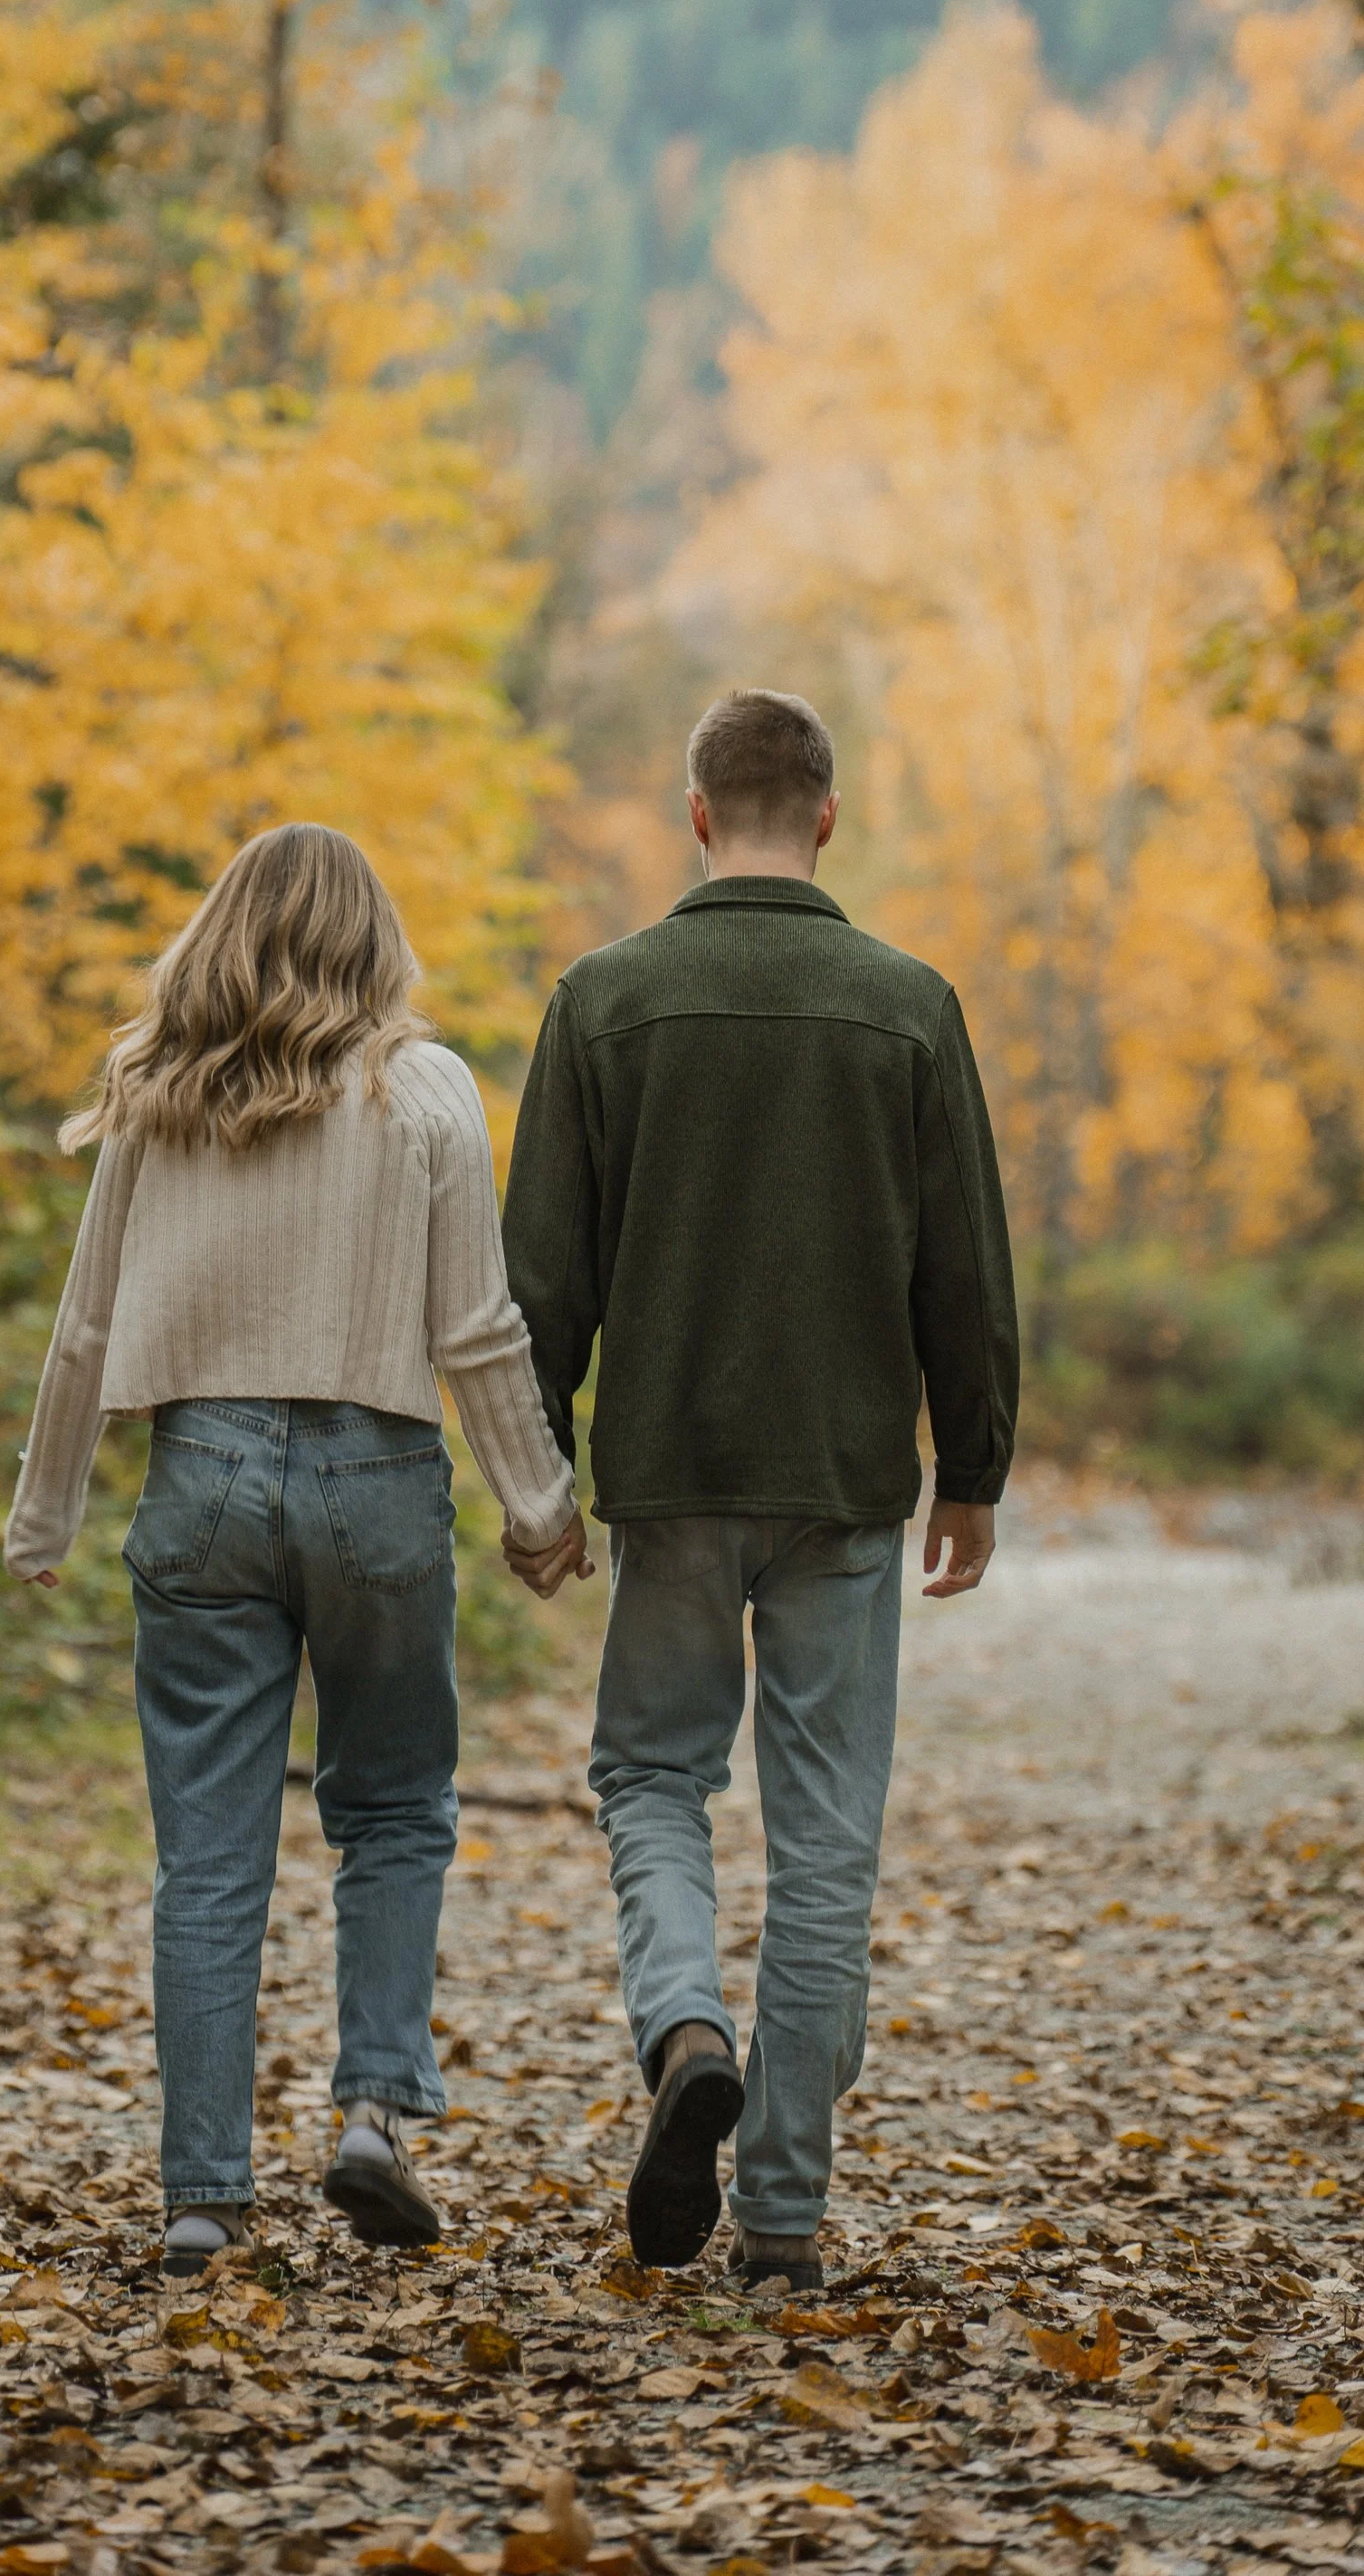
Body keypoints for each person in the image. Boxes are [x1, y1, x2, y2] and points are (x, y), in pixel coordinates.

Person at [5, 823, 585, 2277]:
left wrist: (47, 1508)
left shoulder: (160, 1096)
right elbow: (475, 1329)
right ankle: (375, 2114)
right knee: (392, 1808)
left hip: (199, 1471)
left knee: (208, 1847)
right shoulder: (428, 1089)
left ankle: (204, 2193)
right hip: (376, 1474)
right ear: (375, 942)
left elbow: (85, 1317)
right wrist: (537, 1500)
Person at [501, 689, 1018, 2293]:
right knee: (825, 1835)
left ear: (698, 814)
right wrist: (974, 1466)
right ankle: (782, 2215)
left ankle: (684, 2027)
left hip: (668, 1476)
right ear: (830, 818)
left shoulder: (604, 1000)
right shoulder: (909, 1006)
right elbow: (966, 1266)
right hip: (848, 1481)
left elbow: (539, 1278)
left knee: (655, 1778)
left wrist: (541, 1473)